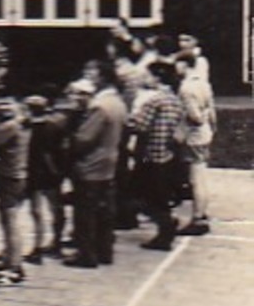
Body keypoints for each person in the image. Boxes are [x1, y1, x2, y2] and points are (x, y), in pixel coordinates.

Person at [65, 75, 125, 268]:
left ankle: (86, 255)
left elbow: (84, 139)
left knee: (85, 213)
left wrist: (71, 140)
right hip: (109, 164)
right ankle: (105, 251)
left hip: (91, 166)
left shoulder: (99, 107)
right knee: (105, 212)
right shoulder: (118, 103)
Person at [130, 61, 187, 251]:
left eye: (148, 75)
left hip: (150, 155)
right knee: (159, 195)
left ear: (157, 78)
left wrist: (131, 120)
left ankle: (165, 228)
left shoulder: (154, 100)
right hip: (167, 154)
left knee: (147, 196)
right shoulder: (175, 100)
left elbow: (140, 127)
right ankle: (166, 224)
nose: (145, 79)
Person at [176, 38, 216, 237]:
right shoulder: (202, 83)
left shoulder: (186, 88)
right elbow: (210, 110)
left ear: (184, 65)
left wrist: (183, 125)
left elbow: (195, 117)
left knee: (196, 179)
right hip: (205, 135)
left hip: (194, 138)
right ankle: (202, 214)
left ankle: (198, 217)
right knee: (201, 175)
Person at [0, 96, 30, 283]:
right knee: (8, 221)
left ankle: (14, 266)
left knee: (10, 221)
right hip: (16, 174)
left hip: (8, 176)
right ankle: (11, 259)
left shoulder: (10, 127)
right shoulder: (21, 125)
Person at [24, 94, 70, 263]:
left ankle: (37, 247)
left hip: (36, 174)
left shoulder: (29, 128)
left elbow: (45, 154)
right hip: (51, 175)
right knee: (55, 210)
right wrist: (59, 174)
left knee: (37, 212)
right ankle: (56, 242)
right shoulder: (55, 126)